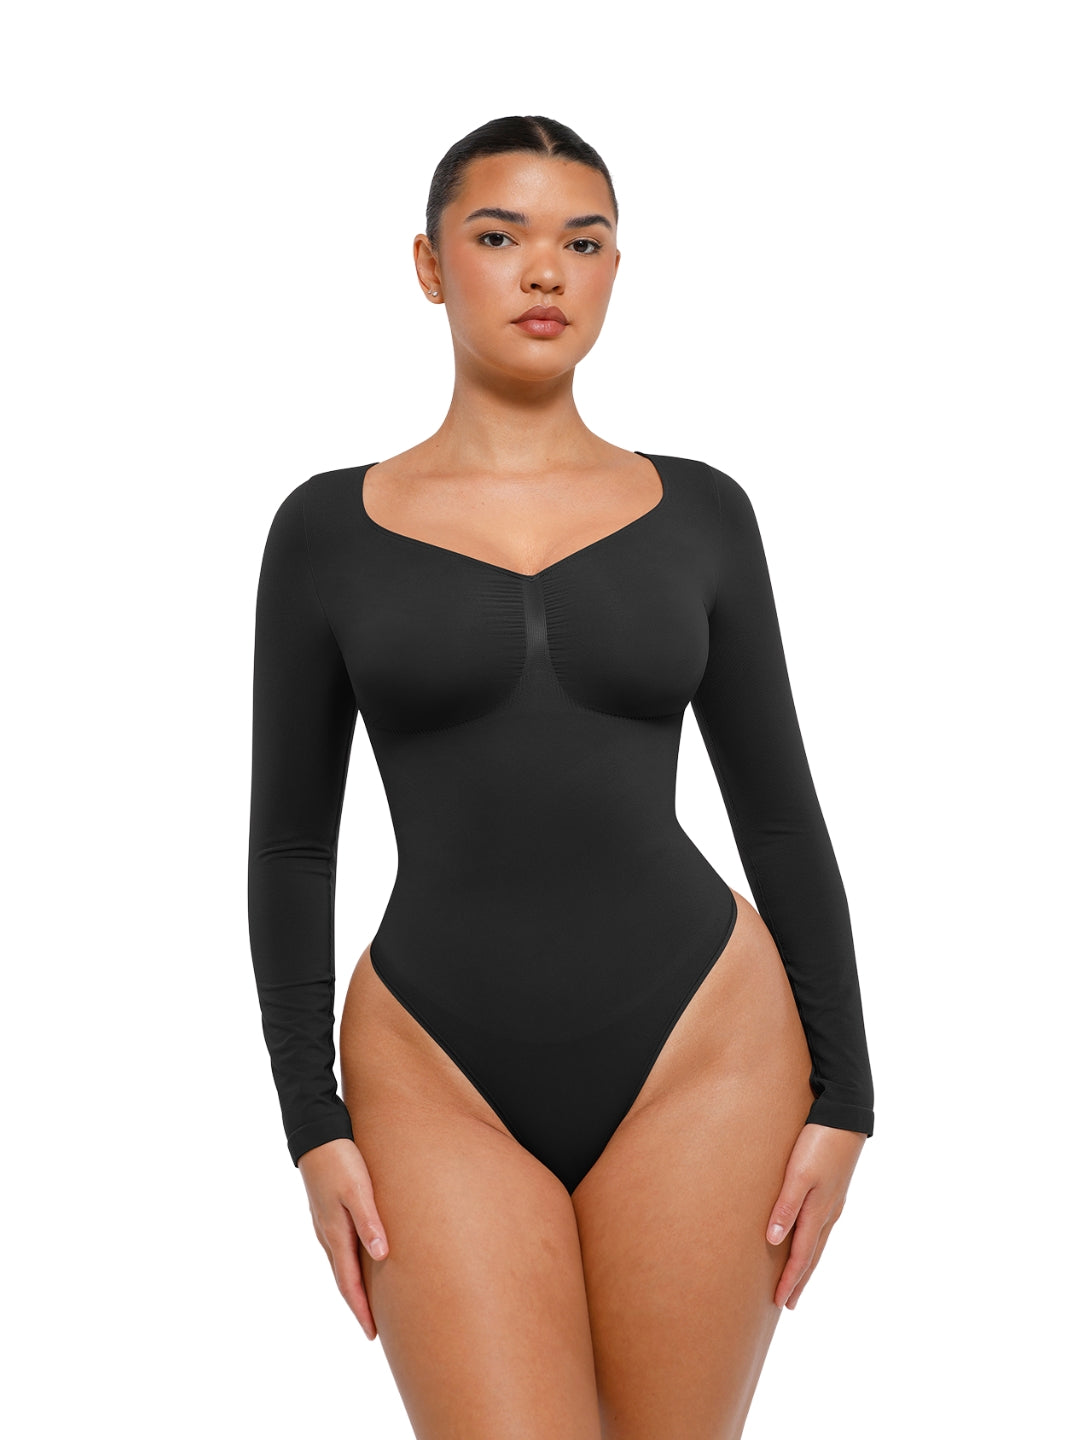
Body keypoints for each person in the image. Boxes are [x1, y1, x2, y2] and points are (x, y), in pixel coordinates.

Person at [248, 113, 874, 1440]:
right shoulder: (323, 530)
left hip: (704, 1048)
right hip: (432, 1067)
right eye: (500, 236)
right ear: (430, 265)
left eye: (583, 244)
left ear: (615, 271)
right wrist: (312, 1119)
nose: (546, 271)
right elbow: (294, 846)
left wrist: (849, 1096)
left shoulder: (704, 513)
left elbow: (778, 814)